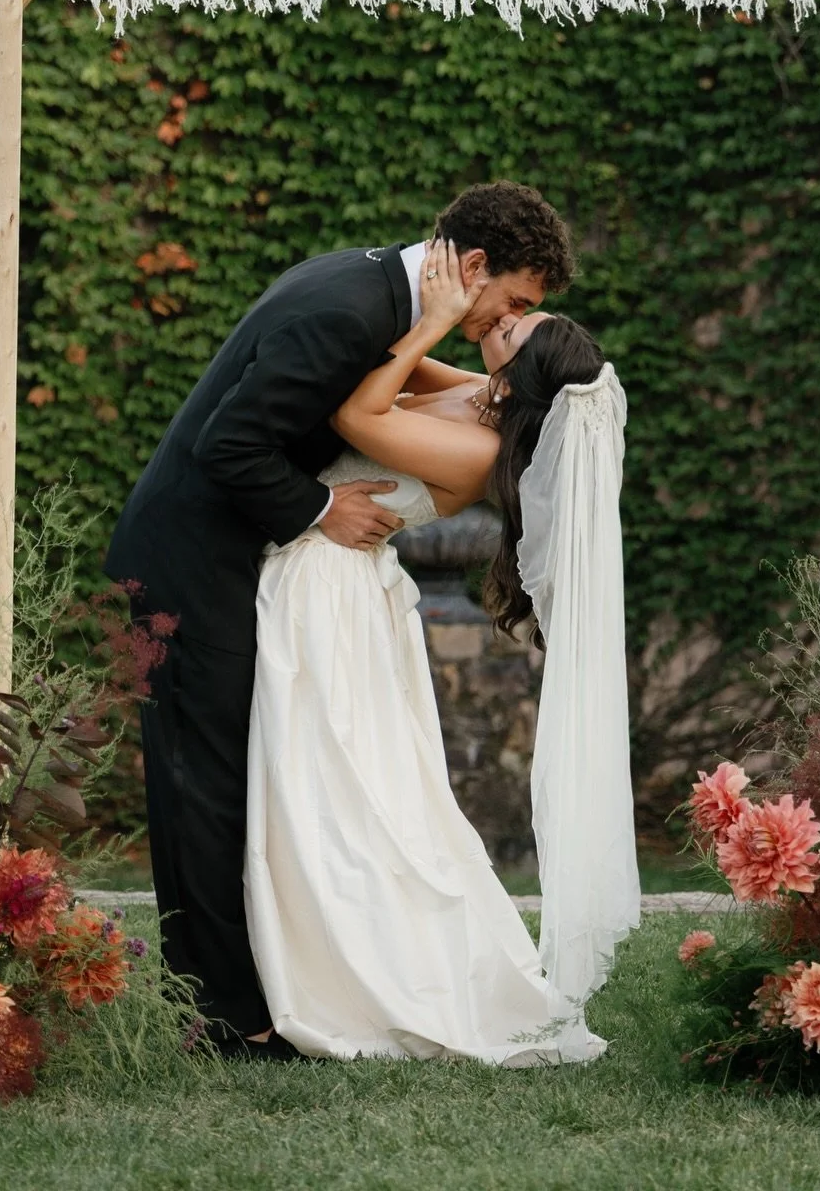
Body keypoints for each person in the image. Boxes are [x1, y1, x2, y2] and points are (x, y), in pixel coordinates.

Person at [105, 182, 575, 1054]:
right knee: (201, 786)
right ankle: (225, 1021)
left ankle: (257, 995)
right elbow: (228, 445)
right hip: (189, 559)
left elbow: (390, 393)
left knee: (245, 781)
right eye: (511, 301)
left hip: (246, 561)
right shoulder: (350, 315)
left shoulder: (367, 286)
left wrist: (529, 382)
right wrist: (320, 510)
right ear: (471, 268)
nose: (506, 319)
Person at [245, 237, 629, 1061]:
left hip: (331, 591)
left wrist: (445, 317)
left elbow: (359, 414)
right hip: (326, 579)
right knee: (338, 778)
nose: (509, 318)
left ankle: (356, 968)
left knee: (335, 781)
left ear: (521, 377)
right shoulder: (482, 394)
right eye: (518, 311)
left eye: (520, 326)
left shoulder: (480, 447)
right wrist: (435, 312)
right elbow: (400, 368)